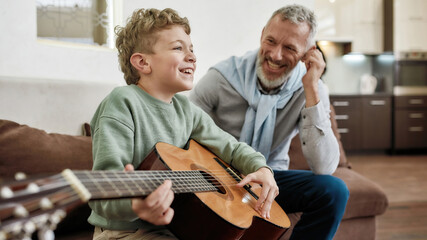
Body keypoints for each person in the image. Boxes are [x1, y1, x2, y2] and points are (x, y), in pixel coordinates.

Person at [87, 8, 279, 240]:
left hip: (176, 227)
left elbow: (232, 148)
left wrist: (261, 168)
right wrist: (136, 205)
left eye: (192, 49)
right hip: (124, 231)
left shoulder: (186, 109)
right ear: (142, 62)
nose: (192, 56)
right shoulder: (122, 101)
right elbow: (103, 191)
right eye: (178, 48)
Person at [189, 4, 349, 240]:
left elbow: (324, 166)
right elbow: (184, 132)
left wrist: (311, 88)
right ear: (262, 34)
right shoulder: (220, 78)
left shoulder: (310, 88)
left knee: (334, 191)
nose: (275, 55)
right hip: (219, 174)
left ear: (308, 51)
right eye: (271, 41)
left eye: (290, 48)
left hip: (272, 179)